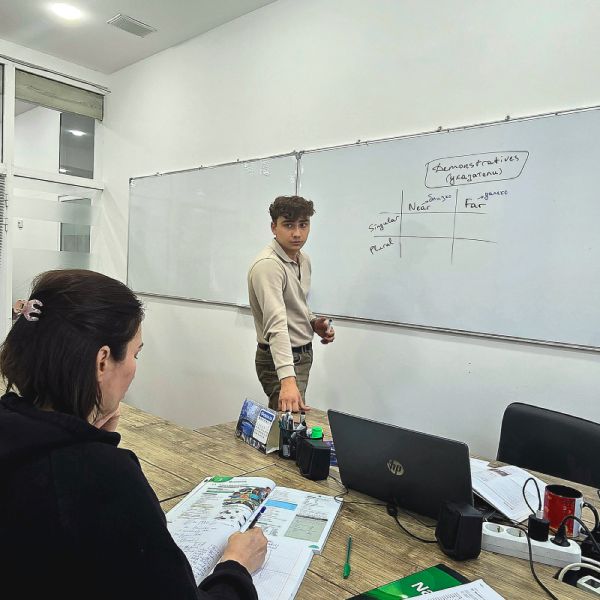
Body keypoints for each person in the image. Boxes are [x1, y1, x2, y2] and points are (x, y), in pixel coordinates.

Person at [0, 269, 267, 600]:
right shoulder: (104, 477)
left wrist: (85, 440)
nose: (135, 368)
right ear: (102, 361)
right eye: (135, 354)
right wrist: (236, 566)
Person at [248, 196, 334, 413]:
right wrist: (287, 380)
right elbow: (276, 324)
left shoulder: (303, 259)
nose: (297, 233)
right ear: (273, 227)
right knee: (288, 422)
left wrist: (312, 322)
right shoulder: (269, 265)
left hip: (302, 354)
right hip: (279, 359)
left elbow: (296, 304)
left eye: (303, 225)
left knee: (291, 421)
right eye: (288, 225)